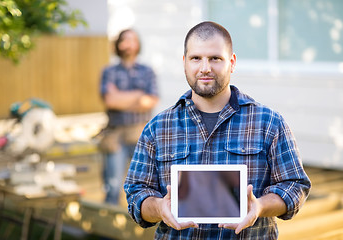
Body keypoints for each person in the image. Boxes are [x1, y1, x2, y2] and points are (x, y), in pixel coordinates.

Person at [124, 21, 311, 239]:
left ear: (231, 62)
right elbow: (136, 193)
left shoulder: (269, 123)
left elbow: (295, 186)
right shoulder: (157, 128)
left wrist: (259, 207)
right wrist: (159, 208)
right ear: (184, 62)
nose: (205, 68)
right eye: (196, 58)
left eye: (215, 58)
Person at [99, 29, 159, 205]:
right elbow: (110, 101)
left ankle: (142, 225)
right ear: (118, 45)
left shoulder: (148, 71)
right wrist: (138, 96)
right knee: (112, 186)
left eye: (132, 40)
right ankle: (107, 231)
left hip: (141, 135)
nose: (127, 44)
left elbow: (151, 101)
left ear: (138, 44)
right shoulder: (108, 71)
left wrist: (121, 97)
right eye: (123, 40)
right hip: (115, 136)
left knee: (147, 185)